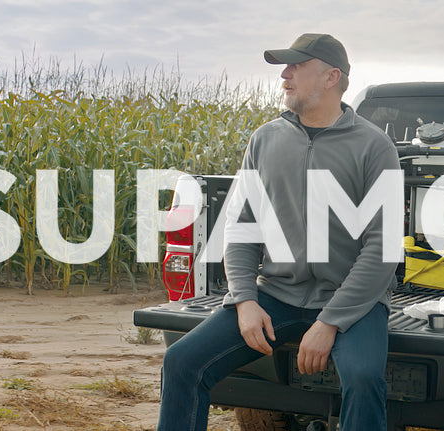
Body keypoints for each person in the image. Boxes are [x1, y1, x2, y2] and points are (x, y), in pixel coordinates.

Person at [158, 33, 401, 431]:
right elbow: (240, 228)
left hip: (352, 304)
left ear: (331, 77)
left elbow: (381, 248)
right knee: (182, 362)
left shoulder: (374, 147)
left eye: (296, 66)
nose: (284, 76)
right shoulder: (265, 139)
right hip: (277, 296)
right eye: (284, 68)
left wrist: (330, 322)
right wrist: (244, 299)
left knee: (362, 377)